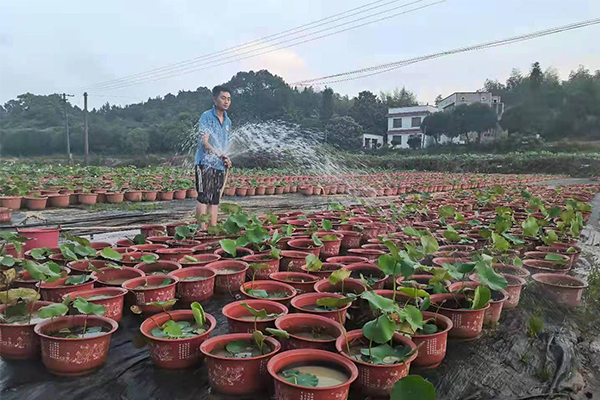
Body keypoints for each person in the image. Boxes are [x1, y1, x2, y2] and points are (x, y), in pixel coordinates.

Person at [195, 85, 233, 228]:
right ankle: (202, 230)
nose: (226, 102)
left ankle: (213, 228)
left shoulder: (228, 122)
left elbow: (225, 145)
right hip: (204, 163)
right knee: (204, 198)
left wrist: (226, 158)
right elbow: (204, 142)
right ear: (214, 98)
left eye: (229, 99)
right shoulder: (207, 117)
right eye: (223, 98)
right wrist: (219, 154)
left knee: (215, 200)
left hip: (219, 165)